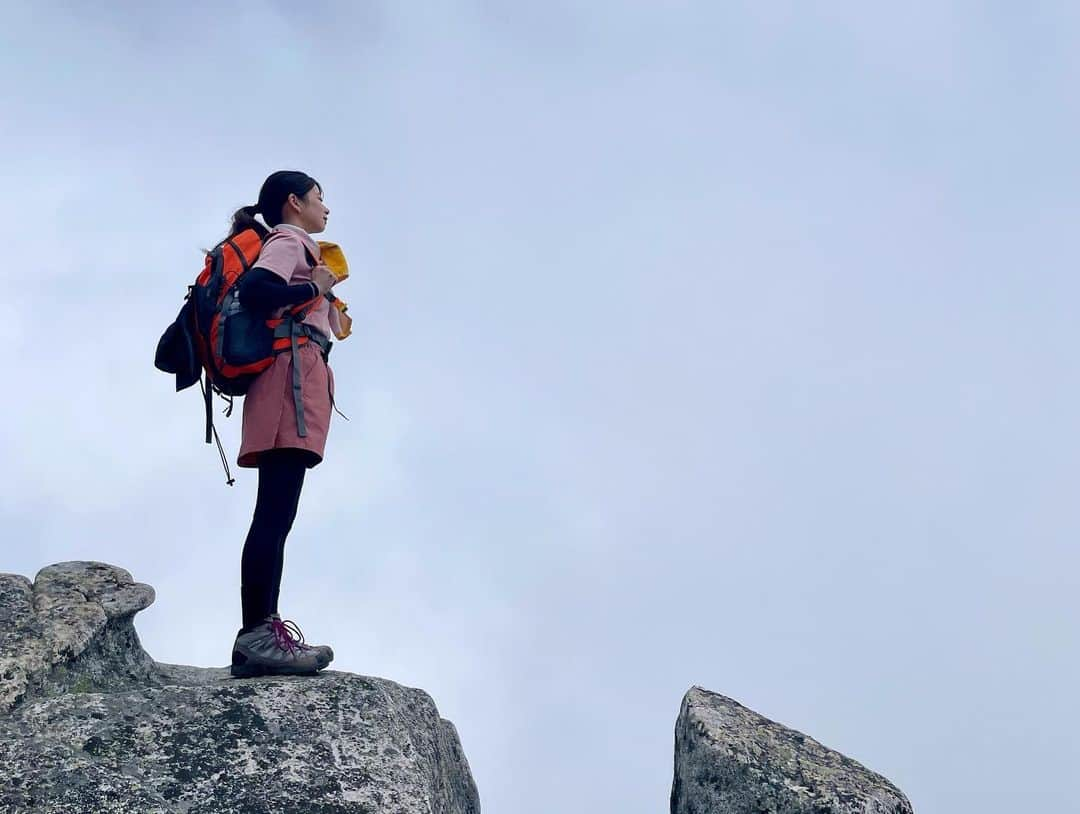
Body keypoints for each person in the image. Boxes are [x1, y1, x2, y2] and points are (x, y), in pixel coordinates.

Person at [227, 170, 341, 678]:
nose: (326, 208)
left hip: (298, 380)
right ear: (294, 203)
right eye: (320, 198)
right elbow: (256, 291)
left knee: (278, 513)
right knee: (274, 513)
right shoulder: (289, 239)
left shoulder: (299, 245)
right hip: (287, 383)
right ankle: (257, 636)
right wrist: (313, 286)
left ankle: (260, 633)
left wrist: (325, 296)